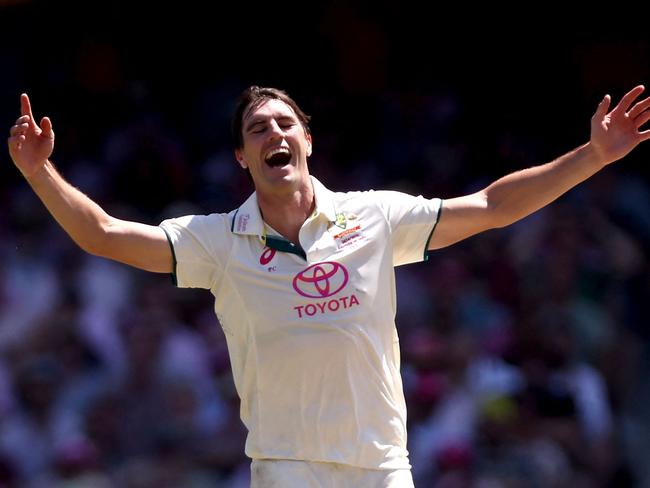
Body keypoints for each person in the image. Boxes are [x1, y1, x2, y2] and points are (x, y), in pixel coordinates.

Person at [7, 85, 650, 488]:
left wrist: (592, 156)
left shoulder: (374, 216)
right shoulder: (216, 240)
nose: (273, 135)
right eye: (257, 130)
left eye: (284, 124)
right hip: (287, 470)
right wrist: (40, 175)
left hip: (382, 467)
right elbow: (104, 235)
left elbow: (489, 206)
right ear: (241, 158)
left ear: (307, 141)